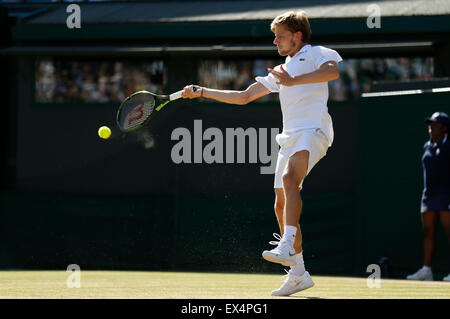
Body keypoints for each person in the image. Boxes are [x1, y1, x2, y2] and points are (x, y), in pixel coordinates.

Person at [181, 11, 342, 296]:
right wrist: (202, 91)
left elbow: (332, 71)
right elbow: (244, 97)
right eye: (275, 36)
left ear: (298, 36)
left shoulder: (318, 53)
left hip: (314, 129)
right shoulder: (281, 70)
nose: (275, 41)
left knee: (291, 180)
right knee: (281, 201)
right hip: (290, 136)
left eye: (280, 36)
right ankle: (298, 273)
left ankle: (288, 244)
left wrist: (292, 81)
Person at [407, 112, 450, 282]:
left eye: (435, 125)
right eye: (430, 125)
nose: (431, 128)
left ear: (444, 128)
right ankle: (427, 271)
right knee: (428, 232)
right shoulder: (427, 146)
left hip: (446, 194)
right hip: (429, 196)